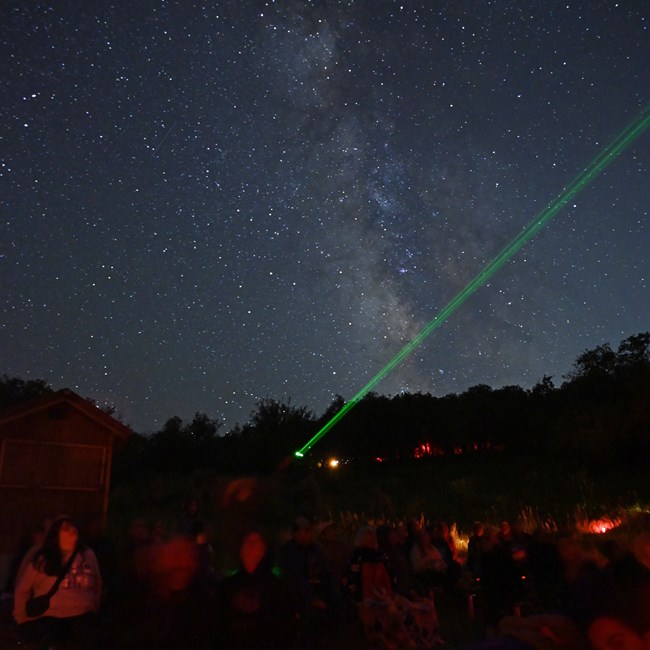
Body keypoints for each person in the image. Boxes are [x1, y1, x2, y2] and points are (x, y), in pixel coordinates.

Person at [343, 525, 442, 649]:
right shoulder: (356, 558)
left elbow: (392, 578)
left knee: (417, 607)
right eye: (369, 535)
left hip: (388, 595)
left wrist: (396, 593)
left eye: (373, 535)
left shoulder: (381, 556)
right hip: (368, 598)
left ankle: (425, 636)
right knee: (391, 611)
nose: (372, 537)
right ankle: (403, 641)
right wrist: (358, 599)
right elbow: (351, 582)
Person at [13, 515, 102, 649]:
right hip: (51, 614)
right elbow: (22, 589)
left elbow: (97, 582)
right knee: (53, 643)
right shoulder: (43, 558)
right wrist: (22, 619)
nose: (72, 529)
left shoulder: (87, 554)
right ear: (56, 535)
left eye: (73, 526)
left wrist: (94, 605)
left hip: (83, 614)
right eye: (66, 528)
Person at [216, 530, 295, 649]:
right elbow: (219, 627)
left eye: (255, 541)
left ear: (265, 549)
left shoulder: (277, 588)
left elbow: (284, 630)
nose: (249, 545)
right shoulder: (227, 586)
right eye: (246, 542)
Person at [279, 517, 339, 650]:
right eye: (305, 530)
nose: (308, 533)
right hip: (300, 596)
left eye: (309, 530)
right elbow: (295, 578)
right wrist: (312, 598)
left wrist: (331, 591)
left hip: (320, 590)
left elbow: (326, 572)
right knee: (312, 617)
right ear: (296, 533)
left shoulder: (316, 549)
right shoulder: (290, 551)